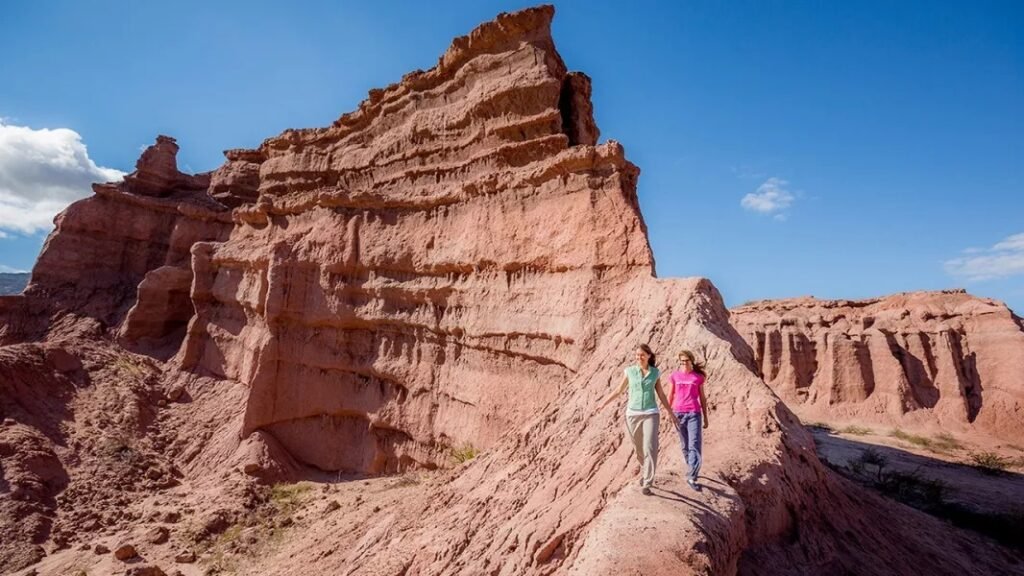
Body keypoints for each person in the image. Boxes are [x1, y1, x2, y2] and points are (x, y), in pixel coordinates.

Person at [600, 344, 677, 495]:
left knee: (650, 447)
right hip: (633, 414)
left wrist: (671, 412)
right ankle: (645, 468)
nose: (639, 357)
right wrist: (603, 403)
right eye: (637, 355)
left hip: (651, 413)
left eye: (642, 355)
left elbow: (661, 394)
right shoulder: (629, 371)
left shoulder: (655, 373)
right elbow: (619, 390)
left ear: (649, 356)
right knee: (639, 448)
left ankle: (647, 482)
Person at [667, 350, 709, 491]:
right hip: (678, 413)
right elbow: (670, 395)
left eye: (686, 360)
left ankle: (692, 476)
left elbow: (702, 398)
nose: (684, 363)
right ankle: (691, 467)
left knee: (694, 444)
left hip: (693, 413)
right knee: (685, 445)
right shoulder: (674, 376)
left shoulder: (698, 377)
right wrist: (669, 413)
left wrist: (705, 417)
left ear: (691, 361)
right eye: (682, 361)